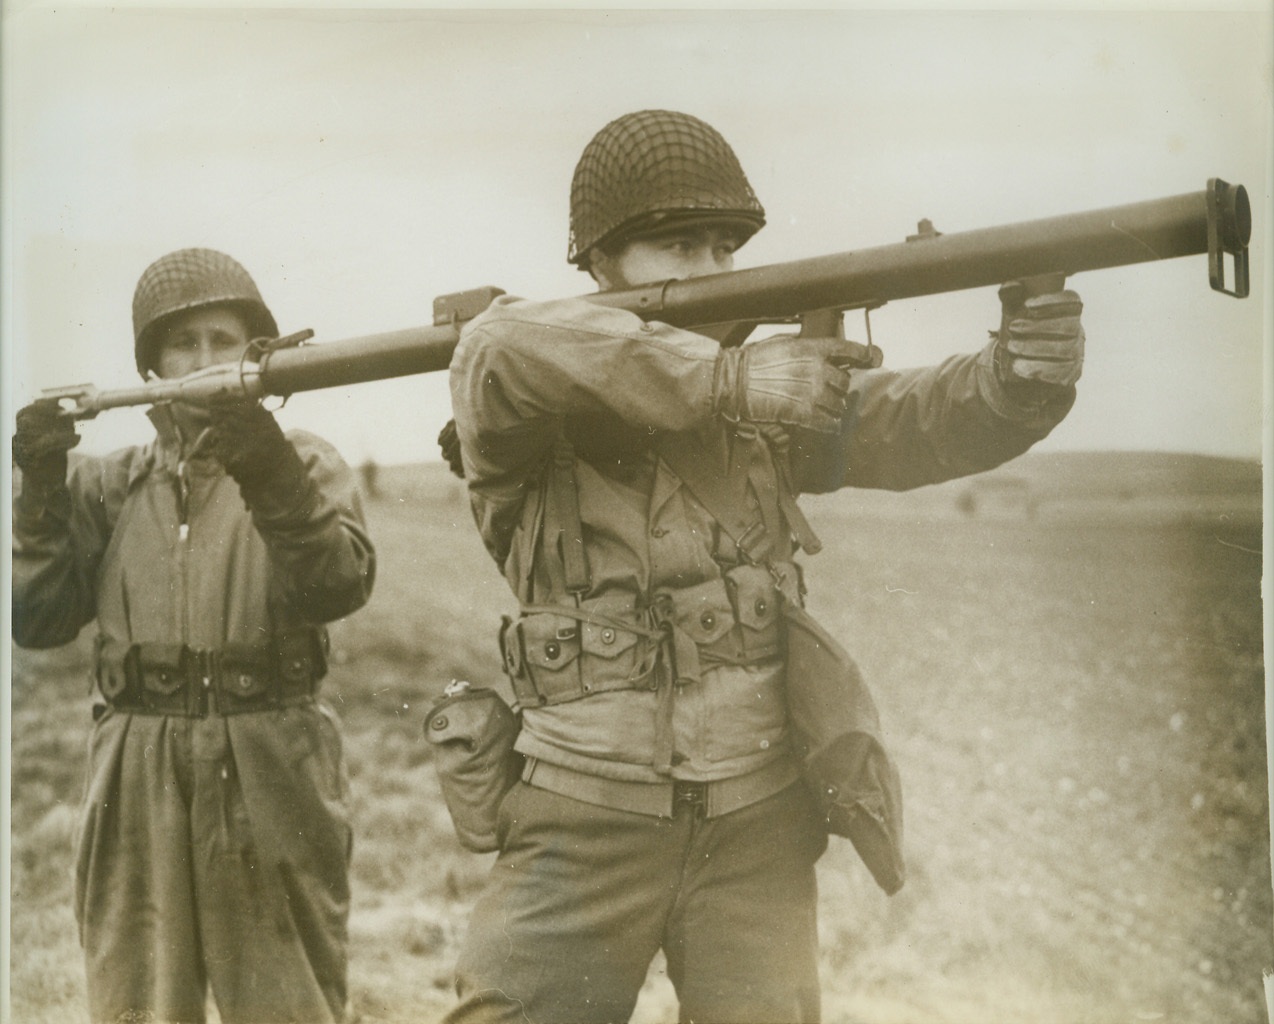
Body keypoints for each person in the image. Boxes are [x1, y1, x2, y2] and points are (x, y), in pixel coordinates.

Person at [444, 109, 1084, 1023]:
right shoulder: (522, 405)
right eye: (676, 246)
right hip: (580, 825)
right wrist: (723, 381)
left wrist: (1020, 375)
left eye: (722, 247)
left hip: (757, 825)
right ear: (600, 265)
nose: (708, 272)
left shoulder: (765, 397)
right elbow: (493, 344)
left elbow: (914, 418)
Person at [11, 248, 376, 1024]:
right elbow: (36, 620)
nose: (205, 362)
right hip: (135, 769)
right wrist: (40, 492)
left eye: (224, 339)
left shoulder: (306, 462)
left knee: (290, 1005)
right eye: (184, 343)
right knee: (136, 1002)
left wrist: (267, 469)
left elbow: (337, 586)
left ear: (258, 353)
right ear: (150, 367)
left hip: (272, 762)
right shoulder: (111, 483)